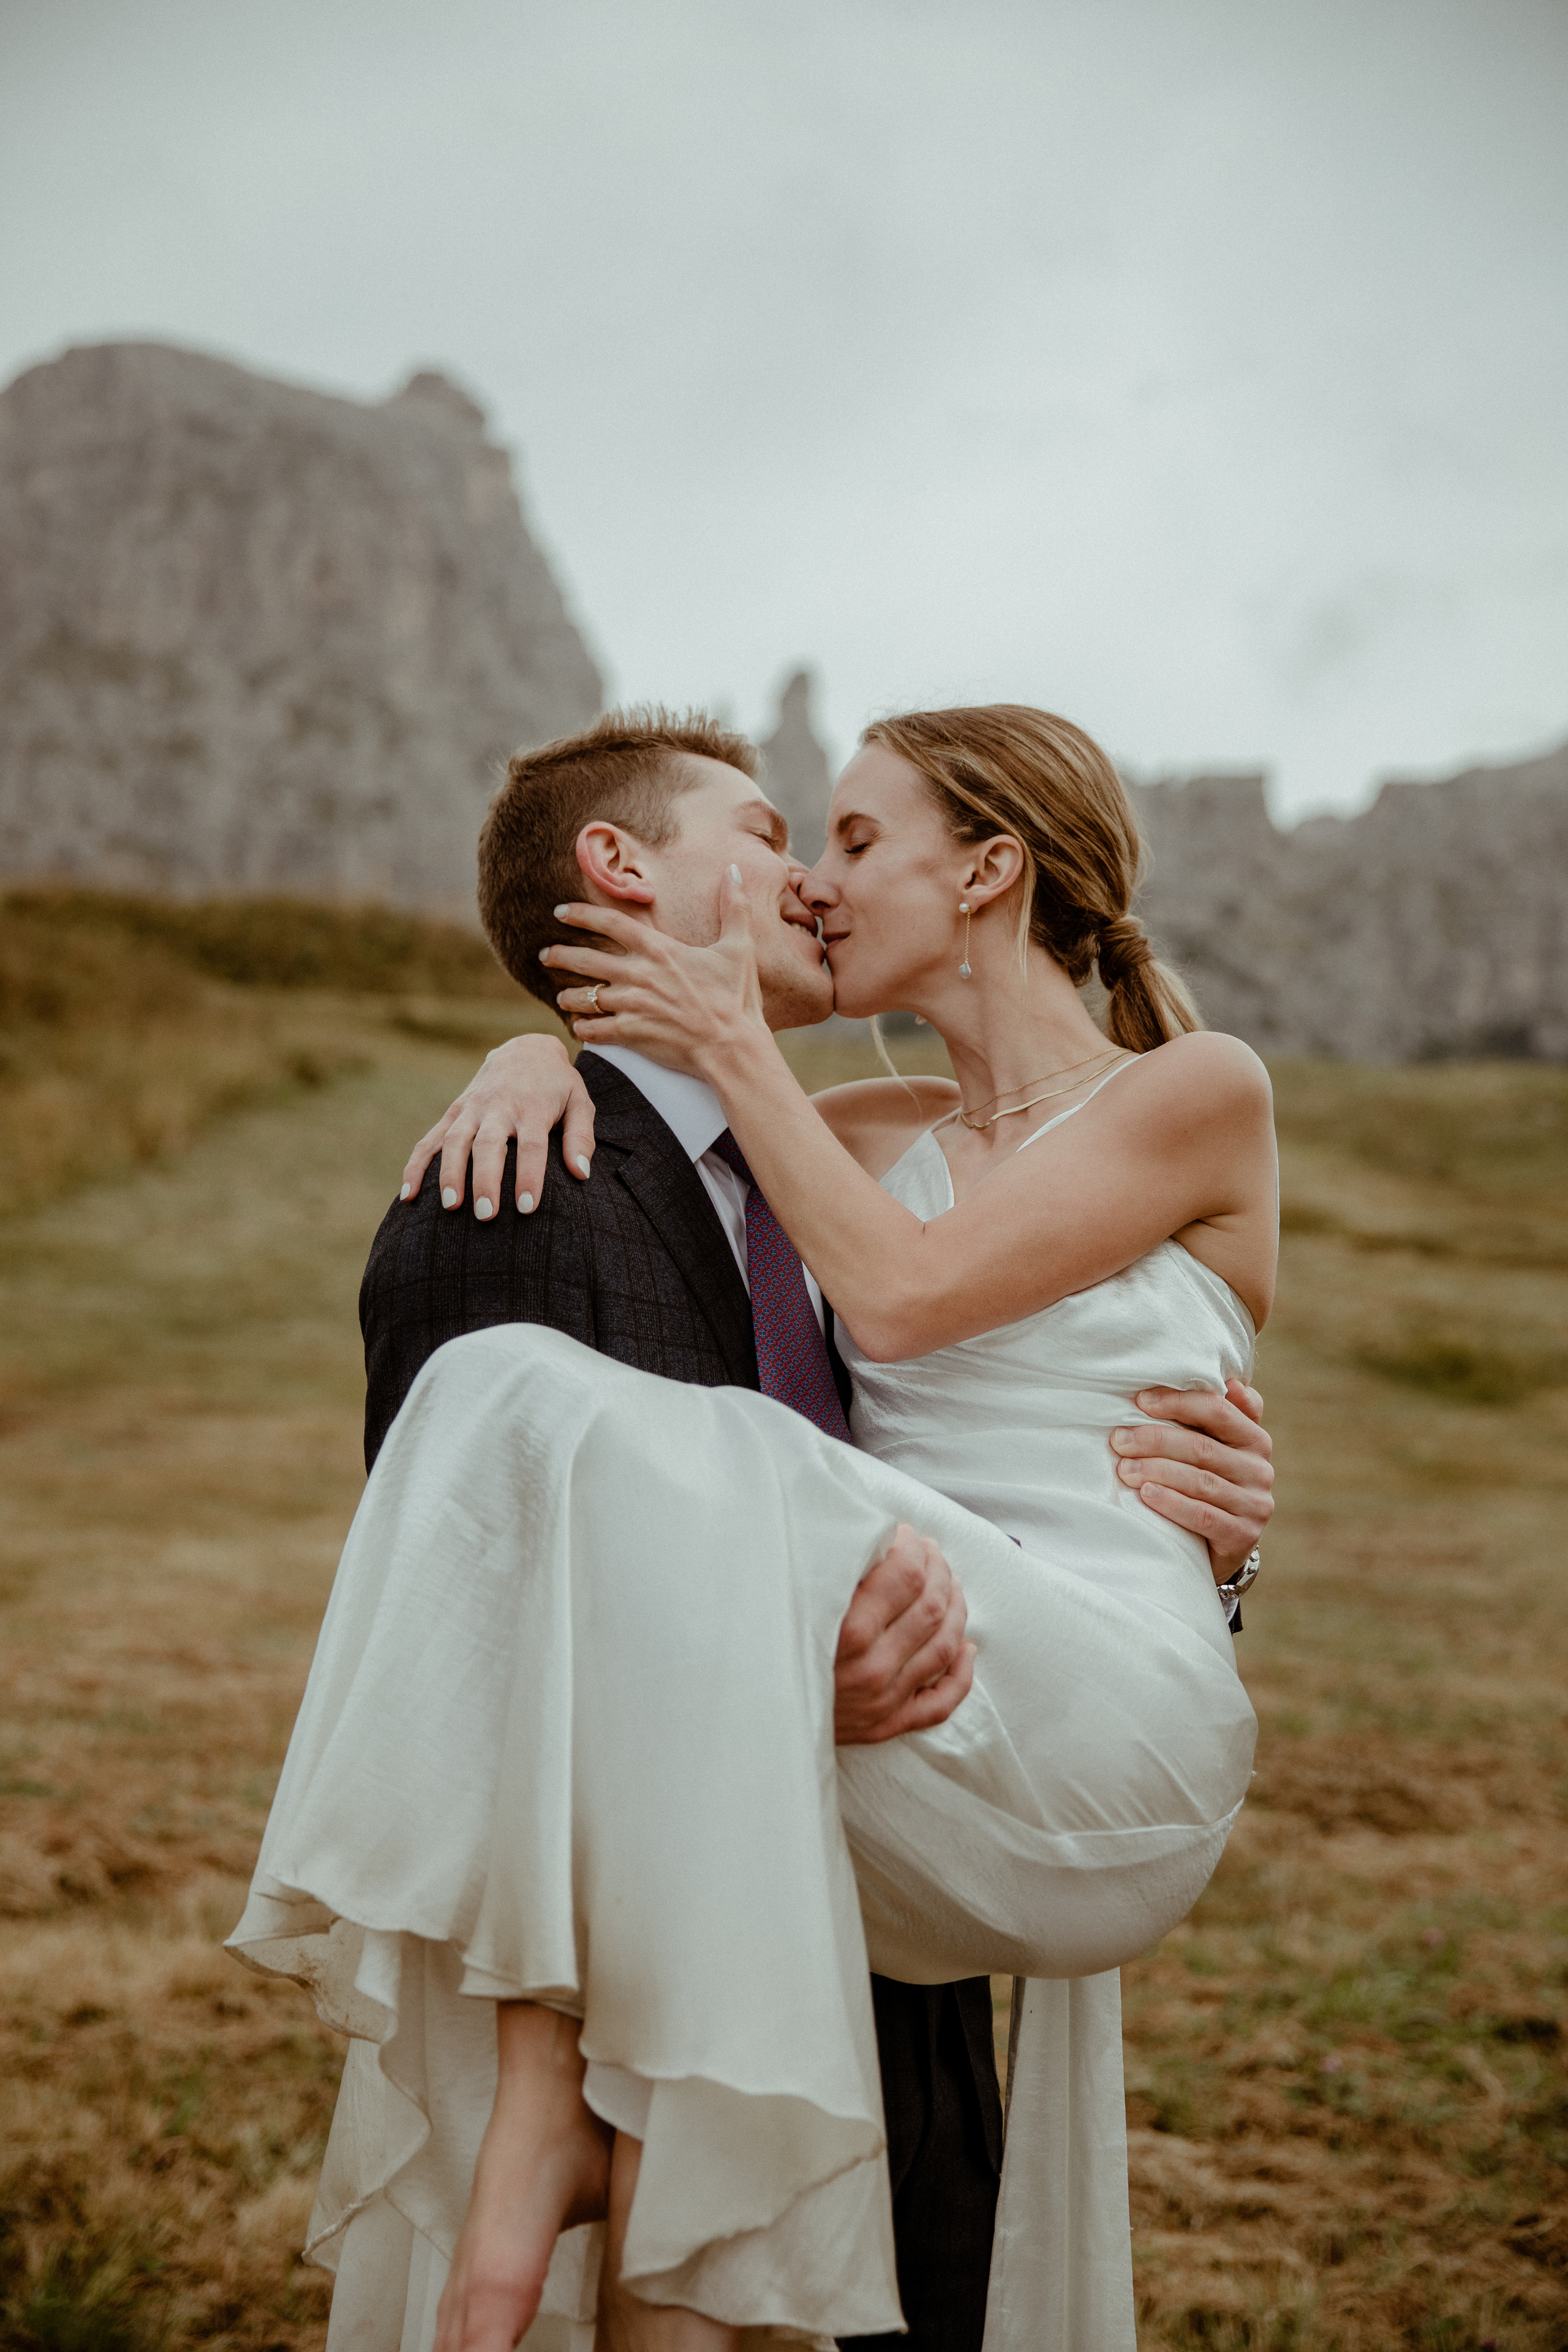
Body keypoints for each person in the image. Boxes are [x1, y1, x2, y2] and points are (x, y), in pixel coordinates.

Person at [229, 705, 1276, 2352]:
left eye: (852, 841)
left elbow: (918, 1302)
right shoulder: (817, 1139)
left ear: (991, 868)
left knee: (567, 1410)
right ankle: (563, 2095)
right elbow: (523, 1574)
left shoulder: (1185, 1094)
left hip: (1072, 1724)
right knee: (525, 1397)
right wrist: (536, 1051)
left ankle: (557, 2100)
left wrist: (1230, 1544)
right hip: (880, 1816)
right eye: (797, 835)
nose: (814, 880)